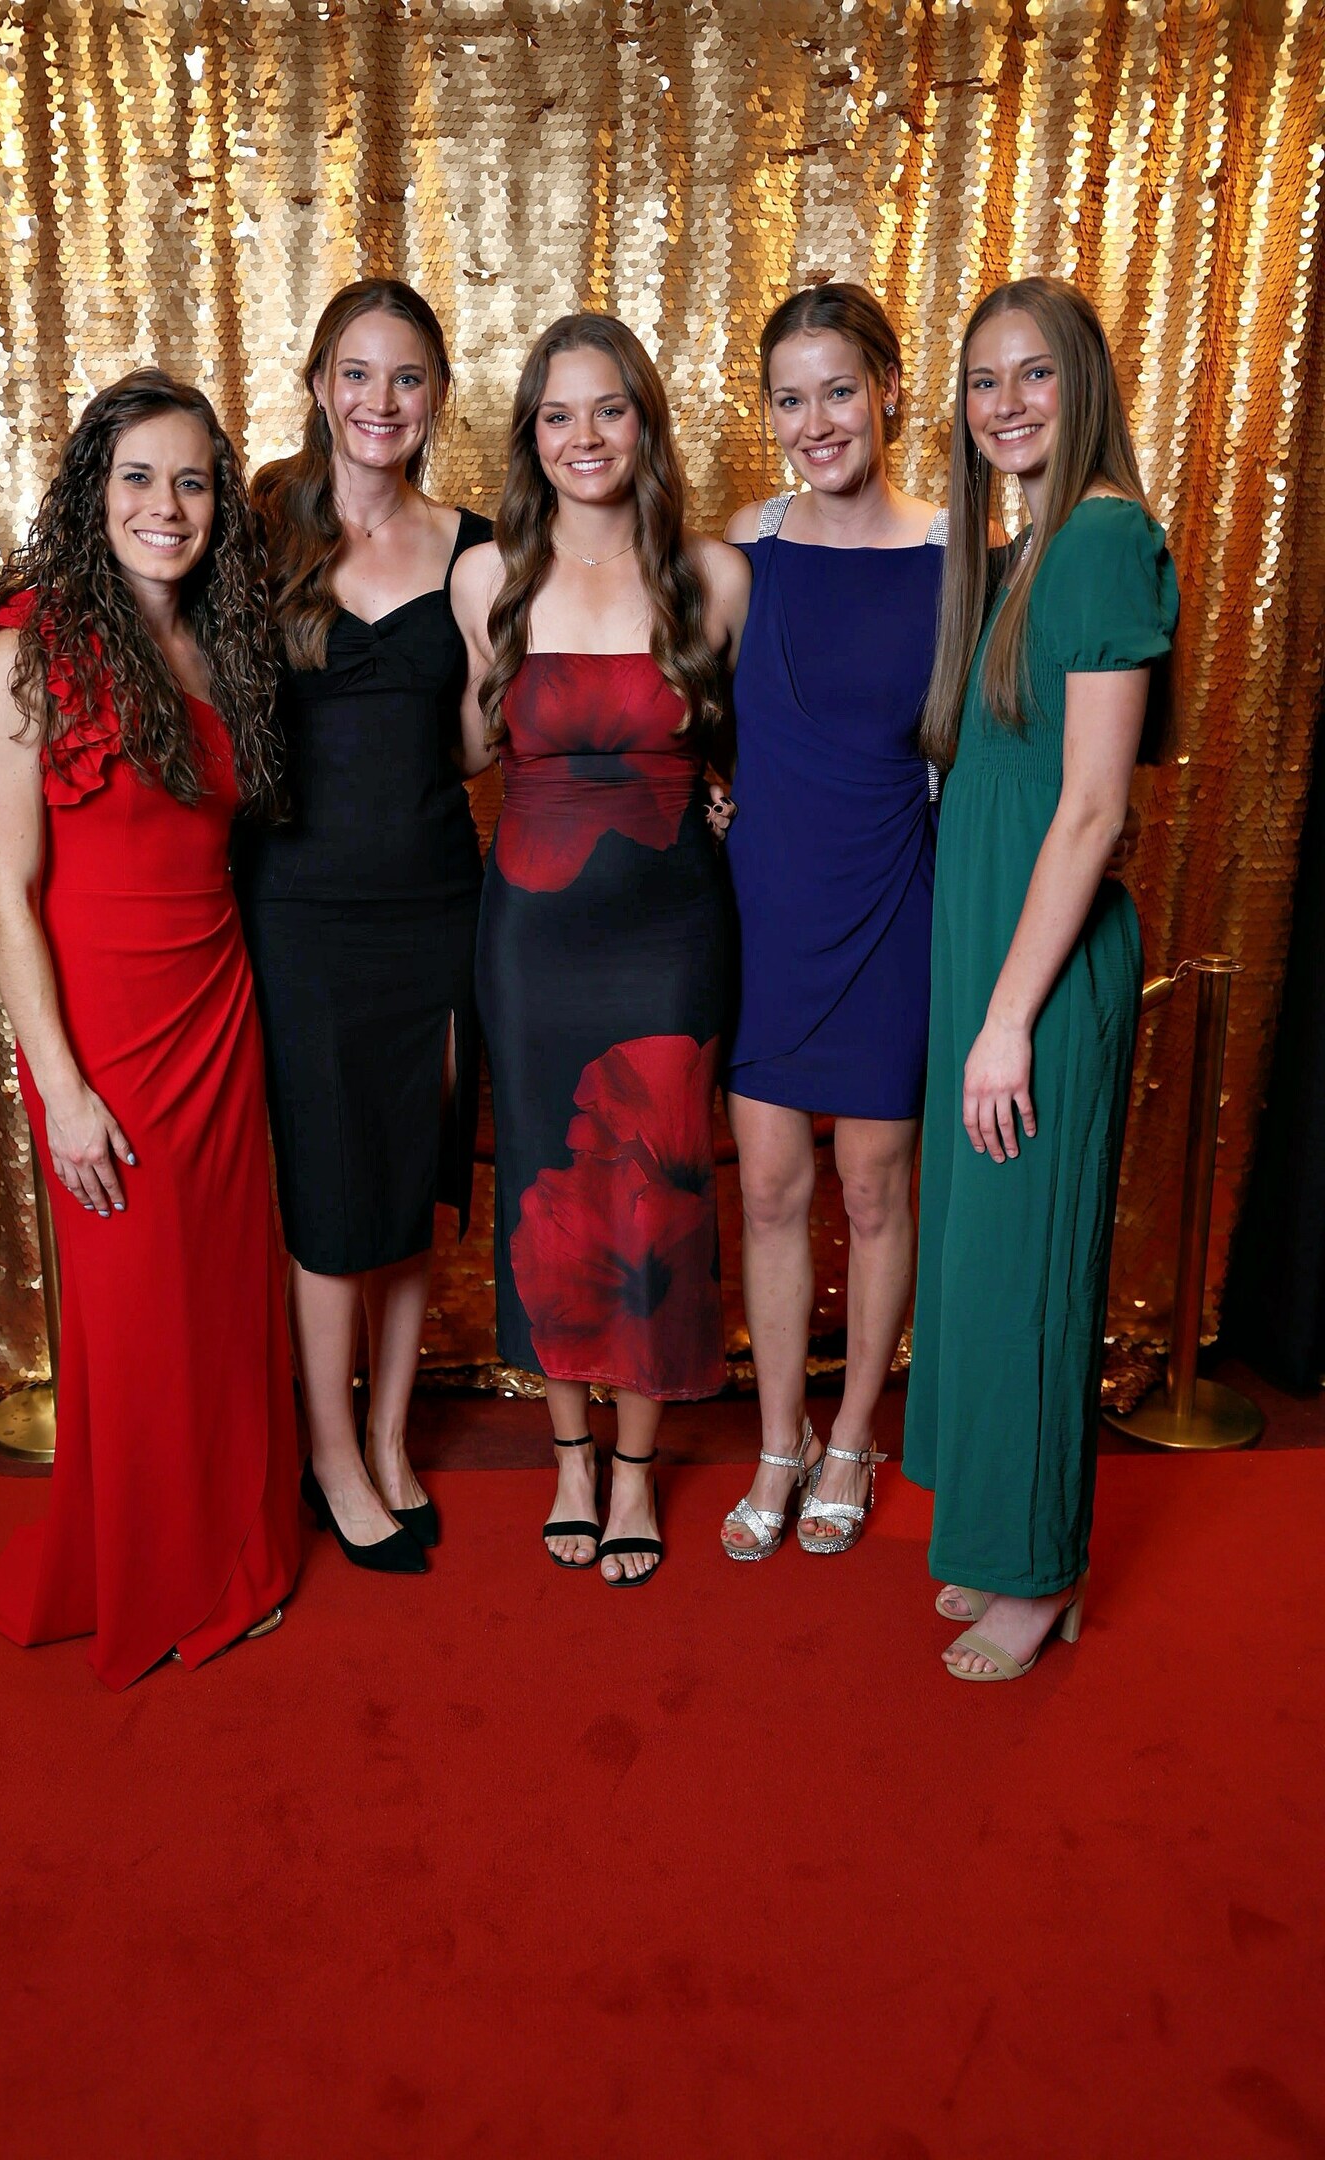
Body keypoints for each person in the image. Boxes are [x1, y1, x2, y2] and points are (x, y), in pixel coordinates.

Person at [0, 368, 300, 1688]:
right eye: (139, 477)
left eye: (193, 481)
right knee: (142, 1315)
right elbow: (6, 894)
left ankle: (231, 1544)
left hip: (217, 1012)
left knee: (218, 1304)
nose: (168, 504)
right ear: (94, 492)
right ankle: (160, 1569)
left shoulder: (220, 642)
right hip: (102, 1038)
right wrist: (63, 1091)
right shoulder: (26, 651)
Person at [903, 275, 1178, 1680]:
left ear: (1086, 386)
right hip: (990, 954)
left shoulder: (1106, 539)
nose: (1004, 405)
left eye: (1035, 375)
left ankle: (1041, 1573)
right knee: (984, 1261)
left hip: (1042, 977)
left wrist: (1009, 1020)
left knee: (1030, 1268)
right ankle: (1008, 1536)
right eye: (982, 381)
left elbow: (1093, 809)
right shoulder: (1022, 552)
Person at [452, 314, 750, 1586]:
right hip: (531, 933)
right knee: (551, 1179)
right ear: (532, 434)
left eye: (609, 410)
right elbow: (471, 747)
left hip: (672, 929)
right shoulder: (488, 576)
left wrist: (727, 791)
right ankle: (568, 1454)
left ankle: (635, 1469)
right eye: (559, 414)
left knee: (656, 1185)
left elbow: (755, 748)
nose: (585, 437)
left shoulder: (713, 575)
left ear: (645, 423)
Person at [243, 280, 492, 1576]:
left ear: (438, 394)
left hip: (438, 903)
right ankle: (330, 1454)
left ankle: (391, 1437)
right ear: (319, 384)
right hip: (300, 912)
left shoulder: (480, 546)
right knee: (333, 1194)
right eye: (357, 373)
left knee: (408, 1179)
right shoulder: (258, 530)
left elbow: (474, 746)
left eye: (405, 377)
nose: (380, 401)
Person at [717, 283, 945, 1564]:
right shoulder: (743, 546)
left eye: (840, 391)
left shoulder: (959, 552)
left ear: (889, 391)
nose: (818, 422)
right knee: (766, 1186)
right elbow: (688, 702)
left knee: (871, 1182)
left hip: (893, 899)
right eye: (791, 399)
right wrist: (702, 787)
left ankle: (854, 1433)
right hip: (768, 906)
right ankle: (780, 1439)